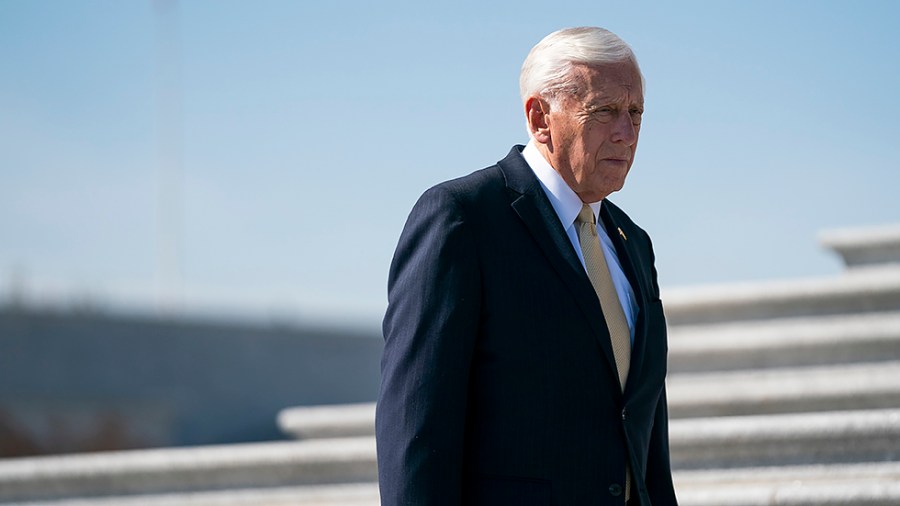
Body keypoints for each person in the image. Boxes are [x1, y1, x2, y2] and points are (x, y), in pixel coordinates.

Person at [376, 26, 678, 505]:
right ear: (540, 118)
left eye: (635, 112)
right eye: (604, 111)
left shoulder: (633, 243)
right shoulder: (463, 217)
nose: (627, 132)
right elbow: (417, 429)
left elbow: (644, 438)